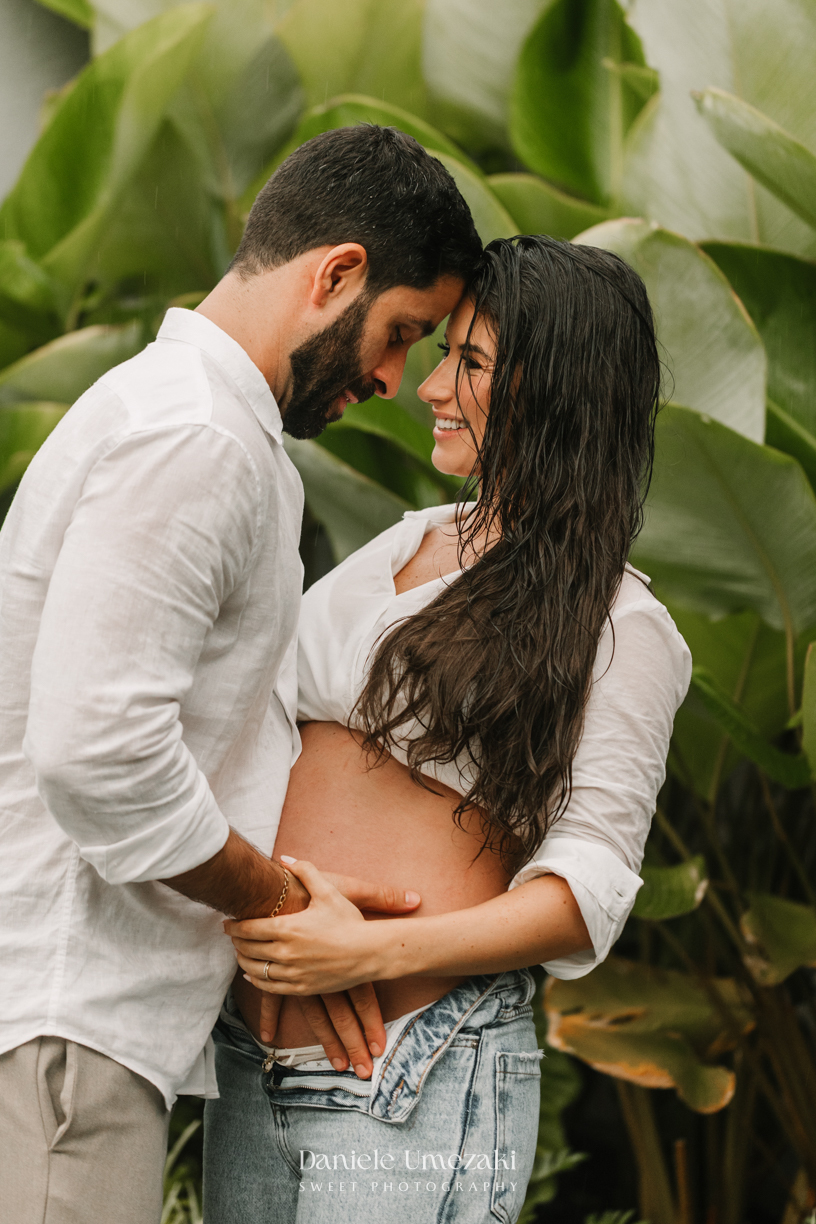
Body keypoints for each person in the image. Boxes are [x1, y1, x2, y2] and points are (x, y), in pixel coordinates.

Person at [0, 125, 482, 1224]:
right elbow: (97, 753)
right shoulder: (197, 437)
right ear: (337, 274)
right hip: (66, 1030)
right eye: (401, 332)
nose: (395, 378)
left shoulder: (193, 420)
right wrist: (272, 898)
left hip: (76, 1026)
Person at [202, 235, 693, 1223]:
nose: (430, 387)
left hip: (414, 1065)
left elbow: (583, 891)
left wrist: (367, 957)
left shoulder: (621, 623)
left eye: (468, 361)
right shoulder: (405, 539)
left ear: (553, 390)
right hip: (249, 1058)